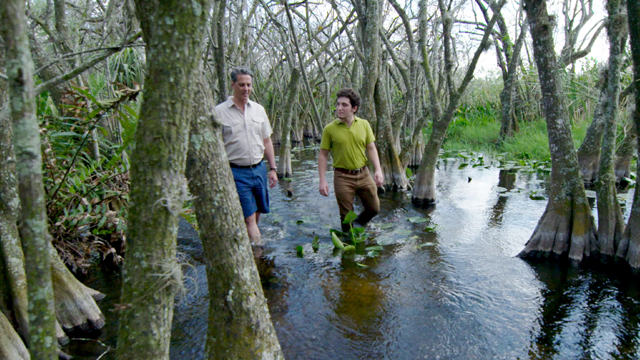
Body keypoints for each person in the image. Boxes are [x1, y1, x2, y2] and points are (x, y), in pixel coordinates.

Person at [215, 66, 278, 243]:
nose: (246, 89)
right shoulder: (219, 112)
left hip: (258, 169)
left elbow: (267, 141)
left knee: (257, 215)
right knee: (249, 218)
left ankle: (248, 245)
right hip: (235, 171)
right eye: (242, 85)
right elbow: (215, 145)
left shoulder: (259, 110)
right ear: (233, 84)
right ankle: (259, 255)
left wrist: (273, 169)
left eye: (249, 85)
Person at [318, 88, 384, 233]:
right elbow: (323, 154)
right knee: (346, 217)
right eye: (338, 104)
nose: (339, 108)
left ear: (354, 108)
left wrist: (378, 170)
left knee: (374, 208)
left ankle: (359, 224)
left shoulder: (364, 124)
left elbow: (371, 148)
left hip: (363, 173)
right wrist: (322, 180)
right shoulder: (330, 129)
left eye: (344, 105)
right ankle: (349, 246)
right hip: (342, 177)